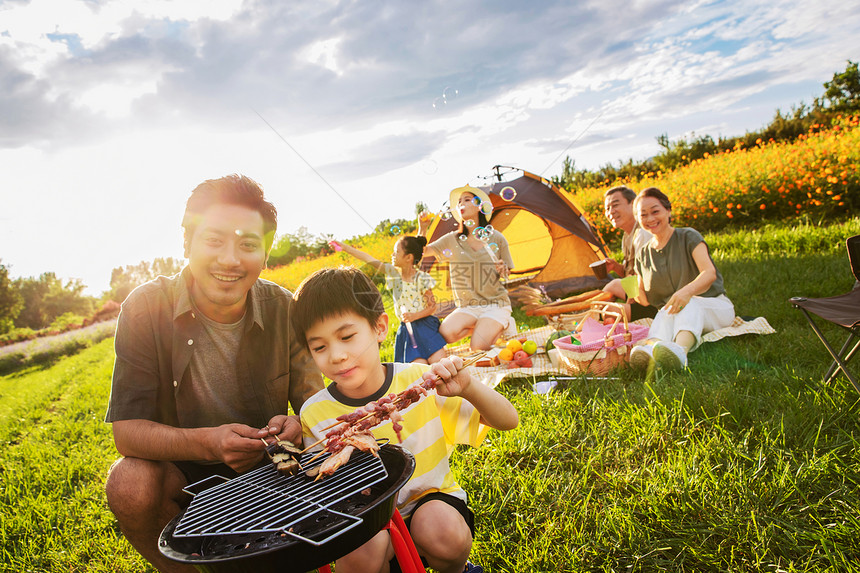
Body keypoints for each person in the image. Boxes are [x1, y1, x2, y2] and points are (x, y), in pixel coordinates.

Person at [103, 174, 323, 573]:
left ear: (265, 253)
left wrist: (297, 424)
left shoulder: (283, 308)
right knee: (129, 483)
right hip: (184, 478)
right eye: (214, 240)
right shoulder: (144, 308)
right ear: (187, 243)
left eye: (248, 245)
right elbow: (127, 431)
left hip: (271, 467)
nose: (230, 260)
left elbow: (317, 404)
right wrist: (208, 444)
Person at [292, 267, 519, 573]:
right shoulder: (314, 413)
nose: (336, 355)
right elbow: (322, 485)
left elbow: (507, 420)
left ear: (379, 327)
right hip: (367, 517)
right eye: (319, 347)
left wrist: (468, 388)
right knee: (358, 559)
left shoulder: (419, 381)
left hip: (430, 503)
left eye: (347, 337)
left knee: (441, 530)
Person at [628, 187, 735, 372]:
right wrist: (630, 285)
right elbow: (644, 300)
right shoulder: (642, 254)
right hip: (674, 313)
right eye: (643, 215)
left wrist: (686, 292)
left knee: (688, 302)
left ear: (668, 211)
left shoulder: (688, 236)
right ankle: (651, 351)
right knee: (663, 314)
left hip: (714, 306)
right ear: (638, 220)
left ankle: (680, 353)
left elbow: (709, 273)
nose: (650, 219)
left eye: (655, 211)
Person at [418, 186, 515, 351]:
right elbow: (422, 251)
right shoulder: (452, 239)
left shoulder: (497, 238)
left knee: (477, 347)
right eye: (459, 202)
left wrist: (503, 269)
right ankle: (484, 327)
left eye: (467, 200)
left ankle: (500, 323)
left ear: (479, 206)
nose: (461, 204)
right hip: (469, 306)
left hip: (496, 304)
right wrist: (423, 228)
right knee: (446, 334)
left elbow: (507, 273)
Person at [330, 236, 448, 364]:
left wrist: (415, 316)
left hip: (425, 327)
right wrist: (345, 247)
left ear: (408, 258)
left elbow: (432, 307)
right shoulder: (393, 274)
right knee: (418, 370)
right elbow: (368, 259)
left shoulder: (421, 278)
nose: (392, 254)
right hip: (407, 332)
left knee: (440, 363)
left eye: (396, 251)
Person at [599, 185, 657, 321]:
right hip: (639, 292)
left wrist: (630, 300)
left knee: (607, 311)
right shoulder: (627, 236)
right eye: (607, 209)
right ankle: (597, 314)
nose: (611, 212)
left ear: (633, 204)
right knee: (612, 286)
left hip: (653, 300)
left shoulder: (643, 233)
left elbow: (645, 276)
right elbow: (629, 274)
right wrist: (615, 267)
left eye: (615, 205)